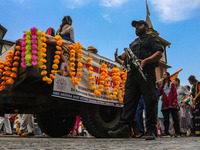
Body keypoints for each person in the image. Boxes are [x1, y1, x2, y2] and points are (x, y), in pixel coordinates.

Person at [108, 20, 163, 140]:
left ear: (146, 27)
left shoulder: (151, 39)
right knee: (129, 101)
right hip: (132, 75)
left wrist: (145, 61)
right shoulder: (133, 43)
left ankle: (150, 130)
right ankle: (123, 129)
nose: (136, 28)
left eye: (139, 25)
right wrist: (118, 58)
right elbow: (125, 57)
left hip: (146, 73)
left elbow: (159, 53)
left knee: (150, 100)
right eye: (135, 26)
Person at [159, 72, 180, 137]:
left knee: (175, 118)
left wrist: (174, 101)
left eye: (165, 74)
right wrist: (159, 84)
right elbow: (159, 92)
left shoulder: (172, 84)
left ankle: (177, 132)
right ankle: (166, 132)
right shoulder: (162, 85)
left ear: (168, 76)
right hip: (165, 103)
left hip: (172, 103)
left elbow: (174, 93)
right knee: (166, 119)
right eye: (163, 74)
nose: (163, 76)